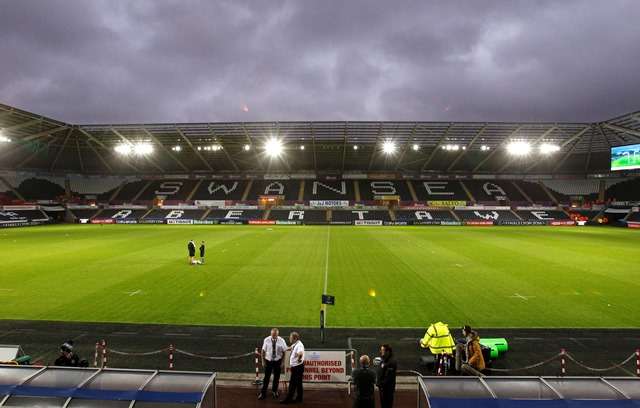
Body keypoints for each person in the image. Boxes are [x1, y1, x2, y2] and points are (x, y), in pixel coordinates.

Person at [258, 328, 288, 400]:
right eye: (272, 335)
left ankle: (274, 391)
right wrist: (263, 361)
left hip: (278, 361)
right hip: (268, 361)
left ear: (278, 334)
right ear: (271, 334)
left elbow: (285, 352)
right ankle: (263, 393)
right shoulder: (266, 340)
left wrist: (283, 362)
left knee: (276, 377)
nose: (273, 336)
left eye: (275, 335)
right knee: (266, 378)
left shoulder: (282, 340)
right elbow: (263, 351)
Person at [281, 332, 304, 405]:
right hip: (298, 367)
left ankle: (288, 399)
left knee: (292, 384)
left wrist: (299, 359)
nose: (289, 339)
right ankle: (299, 398)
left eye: (290, 338)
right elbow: (291, 347)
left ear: (295, 338)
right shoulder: (296, 343)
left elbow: (300, 353)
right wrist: (284, 349)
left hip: (297, 368)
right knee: (298, 383)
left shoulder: (299, 345)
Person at [377, 344, 397, 408]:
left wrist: (380, 383)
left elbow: (389, 377)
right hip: (383, 388)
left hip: (387, 389)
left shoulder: (391, 362)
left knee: (387, 405)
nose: (381, 351)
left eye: (383, 350)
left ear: (387, 352)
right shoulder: (384, 359)